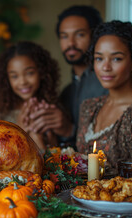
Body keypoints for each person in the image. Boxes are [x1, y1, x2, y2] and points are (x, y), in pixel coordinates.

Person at [76, 20, 132, 180]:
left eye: (116, 59)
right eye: (99, 58)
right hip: (77, 202)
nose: (105, 67)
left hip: (124, 204)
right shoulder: (89, 107)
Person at [27, 5, 108, 149]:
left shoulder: (107, 86)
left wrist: (69, 130)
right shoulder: (66, 93)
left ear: (95, 37)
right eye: (64, 36)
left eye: (80, 35)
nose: (70, 43)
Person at [0, 41, 60, 151]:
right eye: (14, 76)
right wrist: (20, 130)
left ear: (42, 72)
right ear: (6, 80)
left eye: (30, 73)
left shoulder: (50, 108)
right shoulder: (2, 112)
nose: (23, 82)